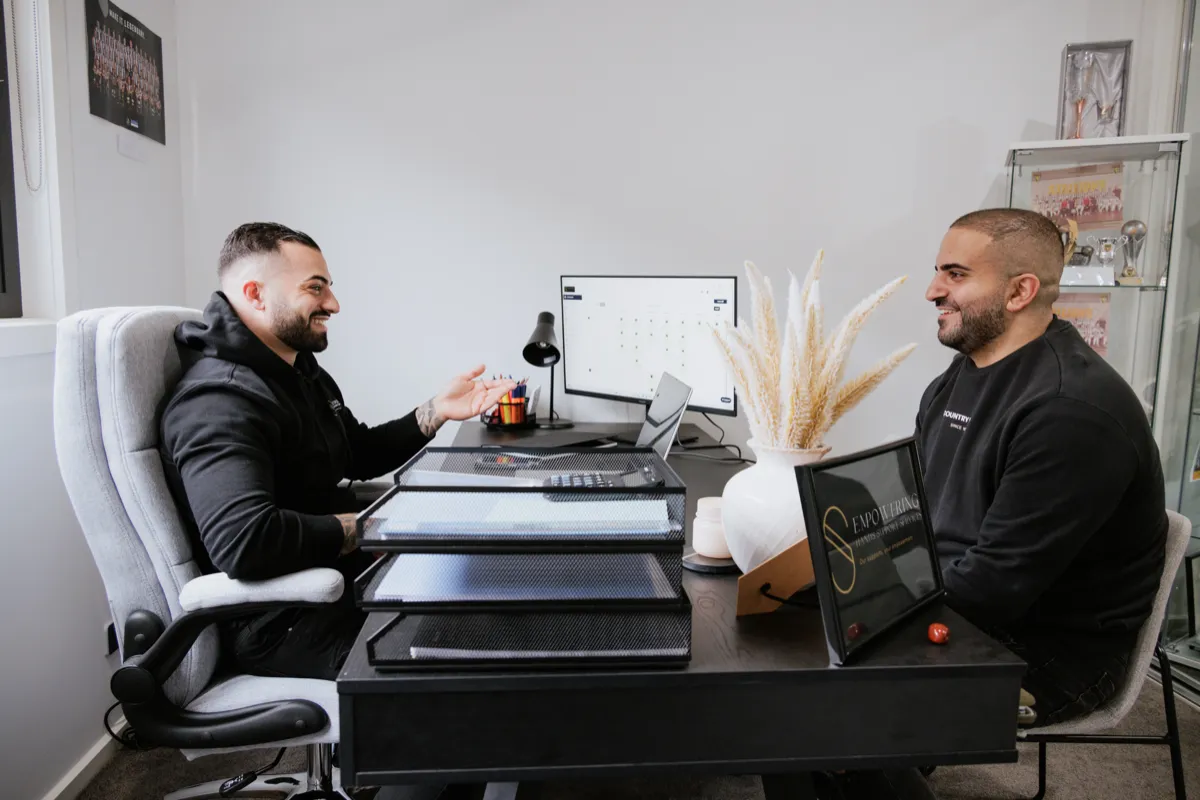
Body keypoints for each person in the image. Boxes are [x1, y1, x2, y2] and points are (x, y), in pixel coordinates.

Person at [818, 208, 1167, 800]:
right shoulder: (957, 379)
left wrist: (868, 607)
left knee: (818, 709)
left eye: (954, 274)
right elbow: (916, 516)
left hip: (1050, 651)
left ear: (1019, 291)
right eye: (937, 272)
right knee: (793, 674)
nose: (932, 290)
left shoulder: (1069, 412)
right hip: (971, 604)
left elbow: (996, 587)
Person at [159, 222, 516, 681]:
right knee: (493, 644)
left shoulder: (296, 368)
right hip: (284, 619)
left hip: (338, 580)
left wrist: (438, 410)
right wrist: (383, 526)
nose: (333, 304)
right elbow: (246, 542)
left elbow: (355, 451)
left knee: (495, 589)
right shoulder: (218, 402)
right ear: (255, 293)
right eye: (316, 288)